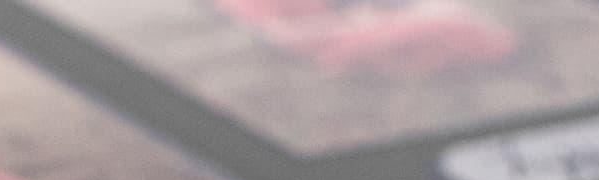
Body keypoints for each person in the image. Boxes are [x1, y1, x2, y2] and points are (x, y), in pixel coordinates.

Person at [210, 0, 518, 77]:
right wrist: (352, 23)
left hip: (352, 22)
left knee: (446, 14)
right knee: (445, 21)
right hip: (332, 40)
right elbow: (283, 34)